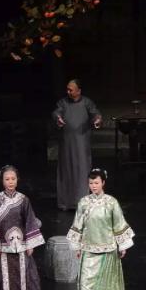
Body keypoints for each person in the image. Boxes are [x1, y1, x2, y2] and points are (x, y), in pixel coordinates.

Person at [66, 168, 134, 290]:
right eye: (91, 183)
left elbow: (118, 223)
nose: (93, 186)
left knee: (107, 283)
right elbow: (78, 224)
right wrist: (77, 246)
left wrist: (122, 245)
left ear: (103, 182)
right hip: (88, 247)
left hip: (108, 248)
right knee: (86, 281)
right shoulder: (84, 202)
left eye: (96, 183)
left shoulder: (111, 202)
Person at [52, 78, 102, 211]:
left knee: (82, 170)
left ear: (79, 91)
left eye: (71, 90)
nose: (68, 92)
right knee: (67, 171)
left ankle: (82, 201)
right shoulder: (63, 102)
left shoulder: (86, 102)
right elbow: (57, 112)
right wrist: (58, 118)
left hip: (81, 143)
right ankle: (66, 203)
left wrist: (97, 119)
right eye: (67, 89)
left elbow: (95, 113)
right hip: (67, 144)